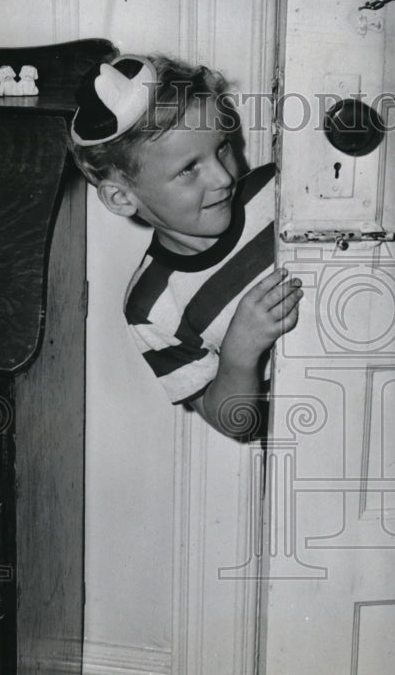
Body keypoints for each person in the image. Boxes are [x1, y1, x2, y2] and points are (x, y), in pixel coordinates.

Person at [69, 53, 302, 439]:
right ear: (122, 198)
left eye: (223, 147)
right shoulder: (152, 309)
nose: (223, 177)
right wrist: (240, 352)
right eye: (188, 168)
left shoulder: (278, 189)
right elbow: (239, 425)